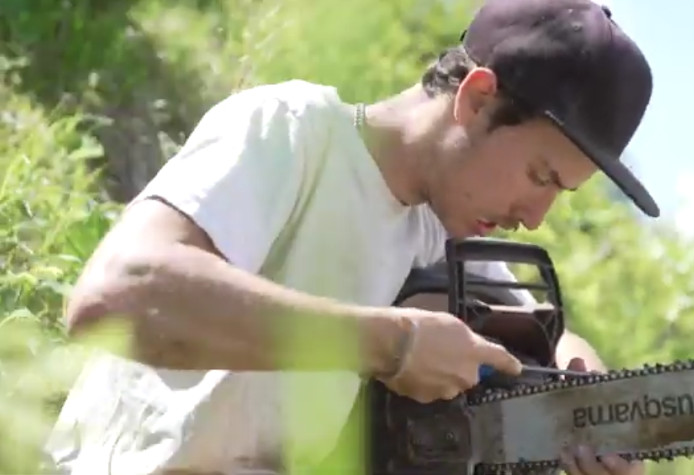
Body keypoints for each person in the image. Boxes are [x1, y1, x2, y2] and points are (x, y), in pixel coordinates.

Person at [44, 0, 659, 473]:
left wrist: (589, 402)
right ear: (476, 100)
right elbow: (118, 296)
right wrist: (388, 344)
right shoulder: (293, 134)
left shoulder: (437, 228)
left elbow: (546, 335)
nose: (536, 215)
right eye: (538, 176)